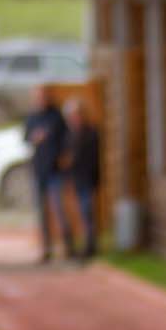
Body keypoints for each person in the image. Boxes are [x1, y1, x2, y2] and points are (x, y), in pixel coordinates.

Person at [23, 86, 72, 262]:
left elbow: (67, 139)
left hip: (55, 170)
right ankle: (46, 248)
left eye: (43, 96)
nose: (41, 100)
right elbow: (25, 137)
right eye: (38, 97)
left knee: (59, 209)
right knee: (41, 212)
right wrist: (34, 138)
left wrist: (64, 157)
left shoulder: (56, 116)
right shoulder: (31, 117)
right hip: (39, 169)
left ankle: (67, 246)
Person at [60, 98, 101, 260]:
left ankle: (90, 246)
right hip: (76, 179)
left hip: (88, 178)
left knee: (87, 212)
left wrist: (72, 160)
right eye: (71, 116)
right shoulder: (69, 134)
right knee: (80, 213)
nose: (74, 118)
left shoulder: (91, 133)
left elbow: (88, 157)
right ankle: (81, 245)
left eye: (76, 115)